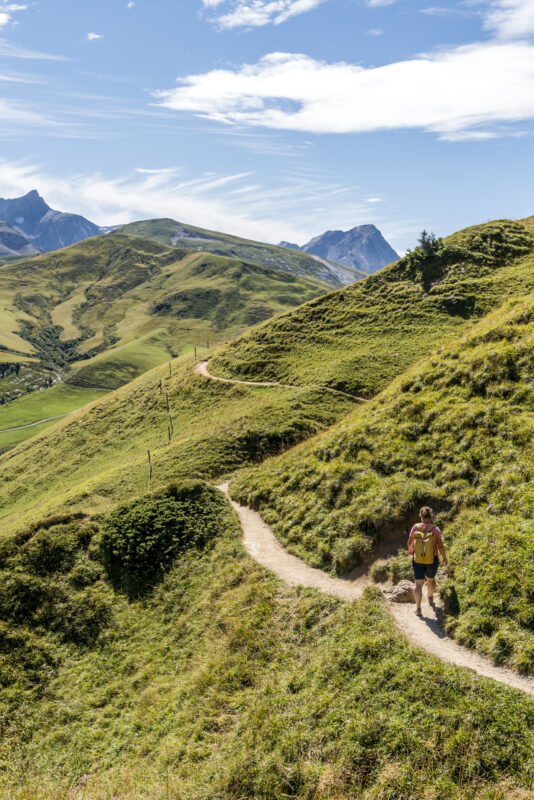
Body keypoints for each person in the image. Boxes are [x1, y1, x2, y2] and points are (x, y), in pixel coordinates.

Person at [407, 506, 448, 616]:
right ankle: (430, 597)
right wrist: (444, 557)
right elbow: (440, 546)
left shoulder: (415, 527)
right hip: (432, 559)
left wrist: (411, 551)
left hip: (417, 559)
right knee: (430, 580)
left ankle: (418, 609)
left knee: (418, 584)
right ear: (431, 516)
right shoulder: (435, 529)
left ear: (420, 516)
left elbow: (410, 541)